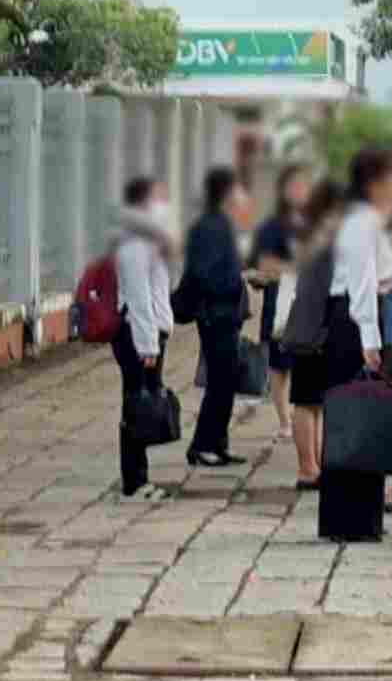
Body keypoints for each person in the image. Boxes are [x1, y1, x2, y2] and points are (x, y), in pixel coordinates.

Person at [315, 146, 392, 542]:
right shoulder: (360, 220)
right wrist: (369, 339)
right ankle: (346, 518)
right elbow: (362, 282)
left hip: (365, 316)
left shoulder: (368, 218)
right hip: (353, 322)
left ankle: (362, 514)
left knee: (365, 416)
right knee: (351, 417)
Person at [185, 166, 256, 469]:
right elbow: (207, 274)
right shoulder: (211, 226)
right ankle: (202, 446)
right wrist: (239, 279)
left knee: (226, 382)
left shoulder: (221, 224)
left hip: (224, 314)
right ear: (227, 193)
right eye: (237, 188)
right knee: (219, 382)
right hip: (216, 315)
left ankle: (217, 443)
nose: (242, 194)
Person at [112, 175, 176, 500]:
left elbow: (165, 285)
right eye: (159, 198)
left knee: (141, 402)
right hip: (137, 334)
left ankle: (139, 478)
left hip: (149, 330)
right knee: (136, 404)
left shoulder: (150, 240)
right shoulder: (135, 242)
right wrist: (148, 344)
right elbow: (138, 296)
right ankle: (134, 482)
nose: (165, 204)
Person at [286, 180, 346, 490]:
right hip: (316, 328)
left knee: (311, 401)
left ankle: (312, 465)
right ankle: (308, 469)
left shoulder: (313, 233)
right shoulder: (327, 236)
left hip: (308, 324)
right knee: (308, 400)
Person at [251, 165, 312, 442]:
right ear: (283, 191)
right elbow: (263, 263)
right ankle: (285, 421)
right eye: (295, 185)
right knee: (279, 365)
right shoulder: (273, 226)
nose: (300, 191)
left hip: (309, 300)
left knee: (307, 361)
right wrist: (291, 267)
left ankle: (304, 416)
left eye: (304, 185)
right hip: (280, 302)